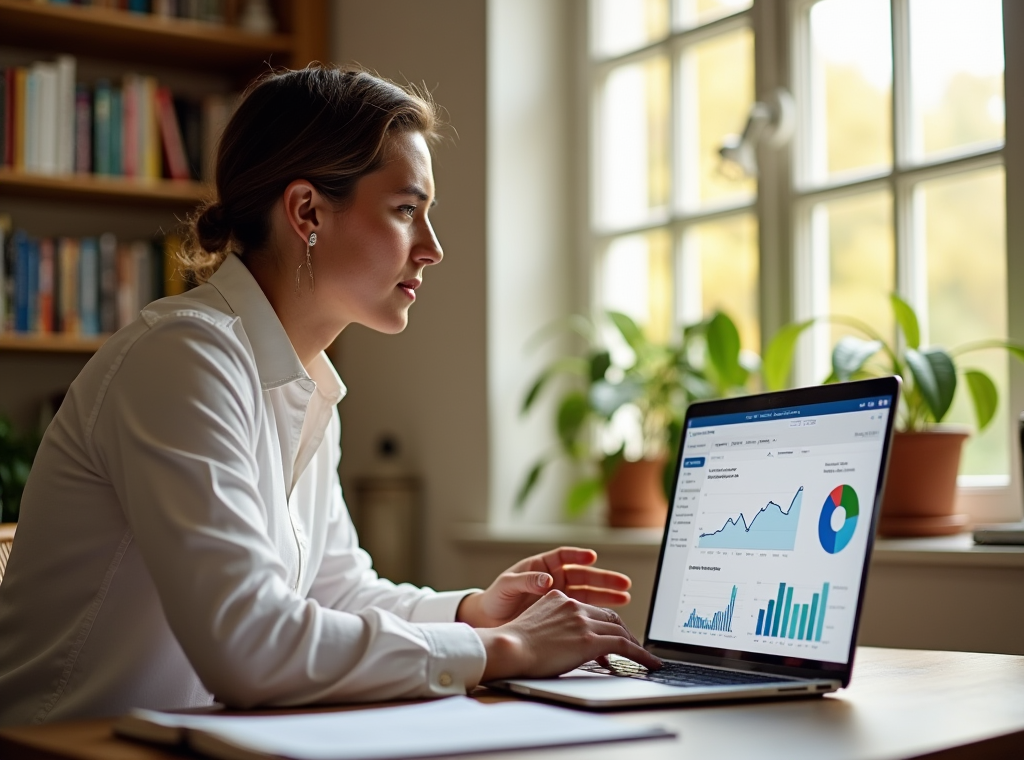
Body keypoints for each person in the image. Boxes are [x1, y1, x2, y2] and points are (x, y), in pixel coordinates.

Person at [0, 66, 658, 726]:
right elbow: (247, 646)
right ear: (307, 211)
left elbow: (334, 592)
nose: (432, 249)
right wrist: (501, 648)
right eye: (406, 211)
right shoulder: (182, 358)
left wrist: (471, 612)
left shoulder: (302, 379)